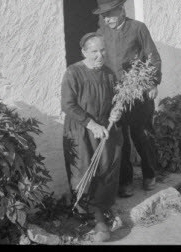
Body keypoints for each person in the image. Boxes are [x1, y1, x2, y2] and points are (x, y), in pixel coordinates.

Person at [93, 0, 162, 197]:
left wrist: (152, 82)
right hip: (114, 94)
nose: (107, 19)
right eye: (104, 16)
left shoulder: (138, 28)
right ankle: (125, 180)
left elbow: (152, 56)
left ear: (122, 10)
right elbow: (98, 59)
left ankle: (150, 174)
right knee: (118, 137)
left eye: (111, 14)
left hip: (138, 90)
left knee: (142, 134)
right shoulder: (101, 32)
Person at [61, 33, 122, 241]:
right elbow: (68, 105)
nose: (99, 55)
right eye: (94, 51)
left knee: (106, 166)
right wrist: (91, 124)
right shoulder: (73, 73)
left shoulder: (109, 74)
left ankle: (100, 210)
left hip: (104, 128)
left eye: (103, 50)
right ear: (84, 52)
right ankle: (87, 213)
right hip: (80, 129)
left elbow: (116, 100)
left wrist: (116, 111)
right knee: (83, 168)